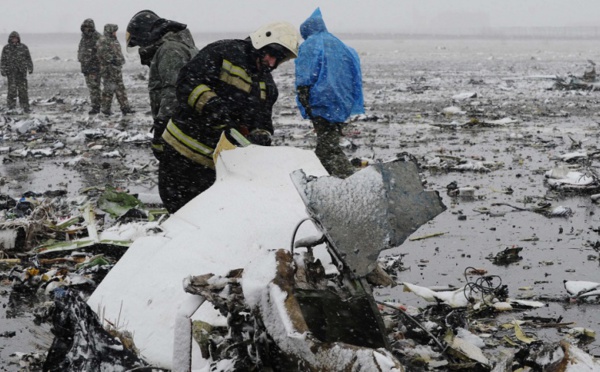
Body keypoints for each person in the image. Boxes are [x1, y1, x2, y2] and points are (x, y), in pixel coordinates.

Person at [158, 22, 300, 213]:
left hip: (214, 165)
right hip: (180, 152)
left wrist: (261, 135)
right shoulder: (223, 52)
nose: (272, 63)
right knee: (178, 210)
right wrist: (211, 105)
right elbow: (187, 82)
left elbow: (262, 120)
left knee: (202, 216)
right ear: (261, 42)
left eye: (279, 59)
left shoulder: (267, 87)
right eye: (272, 54)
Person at [295, 8, 364, 179]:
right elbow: (354, 74)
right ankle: (340, 180)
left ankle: (349, 182)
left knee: (326, 149)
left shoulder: (310, 44)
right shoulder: (340, 45)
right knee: (328, 144)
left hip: (321, 101)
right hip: (342, 102)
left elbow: (305, 76)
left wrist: (305, 99)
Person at [125, 10, 198, 160]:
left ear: (145, 34)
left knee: (177, 172)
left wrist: (162, 125)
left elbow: (173, 89)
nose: (140, 47)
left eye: (139, 42)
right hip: (187, 123)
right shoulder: (174, 46)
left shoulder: (170, 50)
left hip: (180, 126)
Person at [96, 24, 134, 116]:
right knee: (108, 90)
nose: (115, 33)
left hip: (116, 70)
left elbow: (118, 53)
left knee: (120, 89)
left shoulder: (114, 40)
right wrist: (113, 60)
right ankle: (105, 109)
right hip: (108, 70)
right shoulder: (103, 41)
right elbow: (103, 54)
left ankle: (125, 108)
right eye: (114, 31)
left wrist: (120, 61)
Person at [0, 31, 33, 113]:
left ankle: (25, 107)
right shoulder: (6, 48)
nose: (14, 39)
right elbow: (3, 60)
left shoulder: (23, 47)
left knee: (23, 90)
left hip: (22, 73)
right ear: (10, 39)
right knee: (12, 90)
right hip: (11, 73)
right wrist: (3, 70)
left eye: (16, 38)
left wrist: (30, 68)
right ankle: (11, 107)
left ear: (18, 39)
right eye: (13, 38)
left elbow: (28, 58)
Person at [78, 19, 102, 114]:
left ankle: (96, 107)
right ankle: (96, 105)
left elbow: (101, 52)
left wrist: (94, 60)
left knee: (95, 88)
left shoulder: (97, 37)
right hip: (86, 67)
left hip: (94, 68)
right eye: (85, 27)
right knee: (91, 88)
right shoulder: (83, 38)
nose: (86, 29)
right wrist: (81, 59)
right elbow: (81, 50)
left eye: (88, 27)